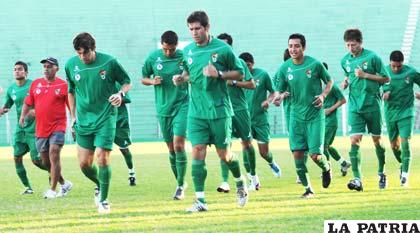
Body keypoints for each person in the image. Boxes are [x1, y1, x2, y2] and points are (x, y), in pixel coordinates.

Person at [173, 11, 248, 212]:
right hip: (196, 111)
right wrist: (182, 78)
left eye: (198, 28)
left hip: (220, 110)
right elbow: (189, 73)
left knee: (225, 155)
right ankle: (200, 201)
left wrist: (220, 74)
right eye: (191, 29)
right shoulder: (187, 51)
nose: (194, 33)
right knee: (198, 150)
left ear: (207, 28)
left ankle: (240, 182)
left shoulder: (223, 49)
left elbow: (240, 73)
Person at [66, 32, 131, 214]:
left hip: (106, 117)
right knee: (84, 165)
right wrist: (73, 116)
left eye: (85, 53)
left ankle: (104, 200)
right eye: (79, 54)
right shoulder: (71, 65)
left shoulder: (109, 62)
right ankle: (99, 184)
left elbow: (127, 82)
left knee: (102, 158)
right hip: (84, 120)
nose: (82, 57)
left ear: (93, 49)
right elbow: (71, 91)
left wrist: (120, 94)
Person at [274, 33, 333, 198]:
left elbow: (330, 81)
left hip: (314, 115)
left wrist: (323, 96)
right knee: (297, 154)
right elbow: (279, 87)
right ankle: (308, 189)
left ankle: (326, 167)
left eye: (297, 46)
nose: (293, 49)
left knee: (315, 156)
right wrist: (278, 95)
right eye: (290, 46)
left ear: (303, 47)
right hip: (296, 116)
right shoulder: (285, 68)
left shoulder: (314, 64)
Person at [340, 29, 390, 191]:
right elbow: (349, 75)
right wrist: (346, 81)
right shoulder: (345, 60)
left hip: (372, 105)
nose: (350, 48)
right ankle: (357, 179)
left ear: (360, 43)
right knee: (354, 140)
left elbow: (386, 78)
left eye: (353, 45)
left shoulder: (372, 57)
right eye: (347, 45)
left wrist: (365, 75)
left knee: (377, 141)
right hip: (355, 106)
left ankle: (382, 172)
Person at [142, 30, 188, 200]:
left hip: (182, 105)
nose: (168, 52)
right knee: (171, 149)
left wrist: (183, 78)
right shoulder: (153, 57)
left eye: (171, 49)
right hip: (163, 109)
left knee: (178, 145)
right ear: (162, 45)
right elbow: (143, 78)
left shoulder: (184, 57)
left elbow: (192, 75)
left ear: (176, 45)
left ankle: (181, 186)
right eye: (165, 49)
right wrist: (152, 81)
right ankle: (180, 181)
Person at [21, 57, 72, 199]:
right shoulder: (36, 84)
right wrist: (22, 116)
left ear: (57, 68)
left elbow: (71, 105)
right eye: (44, 66)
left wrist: (74, 122)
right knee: (45, 161)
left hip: (58, 126)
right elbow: (28, 102)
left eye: (49, 66)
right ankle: (64, 183)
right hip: (41, 128)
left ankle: (53, 190)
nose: (46, 69)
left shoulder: (63, 85)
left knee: (54, 153)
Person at [215, 33, 259, 192]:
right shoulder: (214, 66)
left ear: (230, 47)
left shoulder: (239, 63)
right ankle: (225, 181)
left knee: (247, 143)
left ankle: (253, 176)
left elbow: (252, 85)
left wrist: (233, 82)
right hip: (223, 110)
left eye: (225, 45)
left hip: (240, 109)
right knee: (224, 145)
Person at [0, 61, 48, 194]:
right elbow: (7, 106)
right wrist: (2, 110)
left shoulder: (34, 85)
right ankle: (28, 187)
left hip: (35, 129)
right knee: (17, 157)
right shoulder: (11, 89)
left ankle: (53, 172)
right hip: (20, 129)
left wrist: (36, 111)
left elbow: (45, 102)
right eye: (15, 69)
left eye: (20, 69)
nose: (17, 71)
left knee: (36, 160)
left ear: (26, 72)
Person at [239, 52, 282, 181]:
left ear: (253, 64)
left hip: (260, 119)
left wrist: (267, 101)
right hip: (244, 119)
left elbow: (274, 92)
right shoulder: (238, 77)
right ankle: (253, 178)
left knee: (264, 152)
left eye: (248, 65)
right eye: (244, 66)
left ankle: (271, 163)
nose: (247, 68)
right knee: (246, 148)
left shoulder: (262, 75)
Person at [383, 50, 420, 187]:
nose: (396, 69)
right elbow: (375, 89)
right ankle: (403, 164)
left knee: (405, 142)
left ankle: (404, 177)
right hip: (390, 113)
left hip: (407, 112)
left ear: (402, 63)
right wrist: (383, 94)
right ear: (390, 63)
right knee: (394, 146)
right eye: (393, 66)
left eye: (398, 66)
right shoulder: (384, 72)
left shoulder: (411, 73)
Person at [322, 62, 351, 176]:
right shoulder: (315, 86)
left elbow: (343, 100)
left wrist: (330, 109)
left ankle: (328, 171)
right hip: (321, 121)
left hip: (330, 121)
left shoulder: (331, 86)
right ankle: (343, 163)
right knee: (327, 146)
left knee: (323, 146)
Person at [114, 88, 136, 186]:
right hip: (102, 120)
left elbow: (128, 99)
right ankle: (99, 183)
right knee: (101, 150)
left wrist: (116, 99)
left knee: (124, 149)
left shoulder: (120, 84)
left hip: (119, 120)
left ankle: (132, 173)